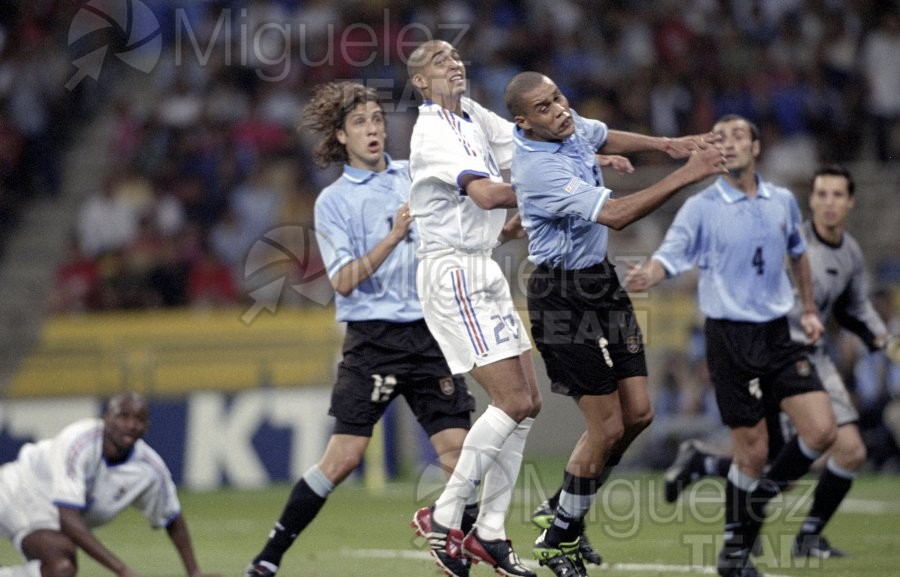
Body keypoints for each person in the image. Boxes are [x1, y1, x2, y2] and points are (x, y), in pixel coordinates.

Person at [242, 81, 475, 577]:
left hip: (430, 335)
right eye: (360, 122)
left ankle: (450, 554)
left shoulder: (415, 176)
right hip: (374, 341)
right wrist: (393, 237)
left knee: (461, 459)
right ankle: (269, 557)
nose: (372, 129)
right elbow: (343, 280)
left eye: (376, 119)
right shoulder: (334, 201)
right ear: (341, 136)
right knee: (344, 458)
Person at [502, 71, 726, 577]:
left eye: (558, 97)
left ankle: (564, 505)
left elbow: (601, 134)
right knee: (605, 428)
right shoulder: (538, 168)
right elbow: (618, 214)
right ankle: (558, 540)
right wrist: (686, 173)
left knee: (639, 414)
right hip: (560, 296)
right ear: (523, 122)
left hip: (600, 281)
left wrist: (667, 144)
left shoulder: (566, 125)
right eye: (544, 107)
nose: (560, 109)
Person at [625, 114, 838, 577]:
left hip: (778, 333)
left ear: (756, 148)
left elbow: (798, 254)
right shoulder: (702, 207)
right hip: (730, 338)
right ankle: (735, 552)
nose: (729, 143)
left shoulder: (782, 200)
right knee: (754, 453)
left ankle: (731, 484)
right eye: (719, 138)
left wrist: (808, 309)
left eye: (738, 135)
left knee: (822, 431)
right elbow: (670, 254)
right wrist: (648, 275)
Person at [663, 164, 894, 559]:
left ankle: (801, 533)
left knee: (847, 451)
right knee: (772, 459)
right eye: (821, 194)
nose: (829, 202)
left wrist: (886, 342)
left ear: (851, 201)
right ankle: (735, 500)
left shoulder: (851, 253)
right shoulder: (787, 244)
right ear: (811, 201)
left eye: (838, 195)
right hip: (774, 355)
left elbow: (856, 308)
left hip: (813, 358)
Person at [405, 40, 542, 577]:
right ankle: (443, 519)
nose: (454, 63)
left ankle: (489, 531)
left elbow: (528, 150)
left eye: (456, 56)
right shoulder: (432, 130)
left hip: (482, 265)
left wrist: (586, 156)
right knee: (511, 399)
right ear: (419, 81)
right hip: (452, 272)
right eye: (439, 60)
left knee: (529, 403)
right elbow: (485, 195)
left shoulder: (473, 117)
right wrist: (559, 191)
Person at [0, 391, 214, 577]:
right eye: (123, 416)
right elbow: (68, 519)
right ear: (106, 418)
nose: (131, 425)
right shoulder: (78, 442)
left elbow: (172, 518)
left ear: (147, 427)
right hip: (14, 489)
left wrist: (194, 572)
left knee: (61, 568)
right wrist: (122, 570)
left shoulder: (149, 470)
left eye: (139, 419)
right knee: (62, 557)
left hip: (45, 518)